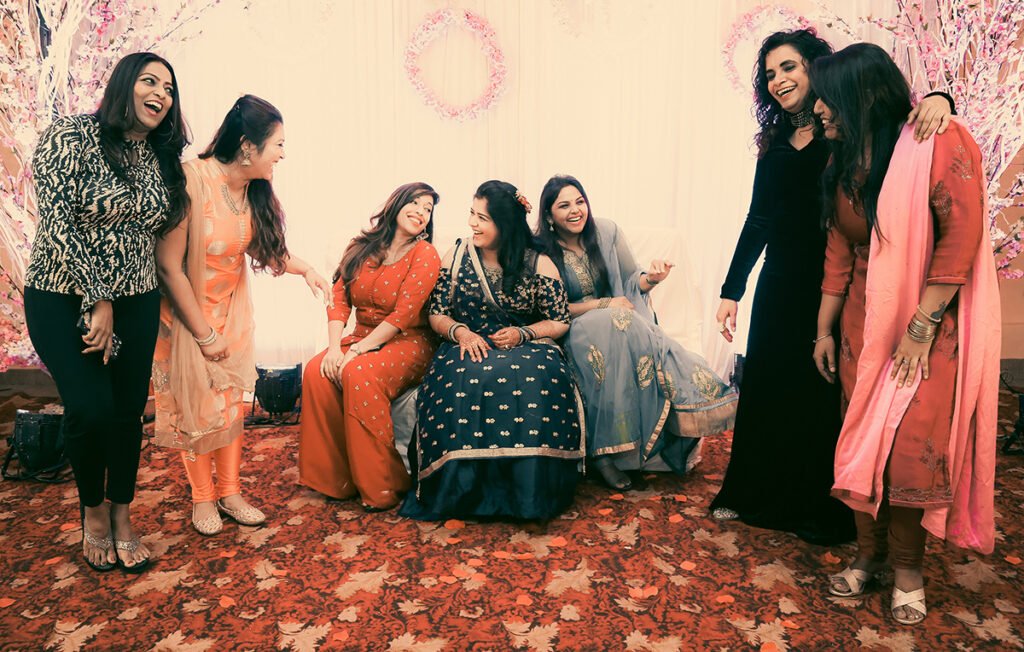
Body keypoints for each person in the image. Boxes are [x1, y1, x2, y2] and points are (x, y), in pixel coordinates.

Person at [709, 29, 955, 544]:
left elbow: (897, 111)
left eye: (789, 67)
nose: (778, 80)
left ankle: (818, 505)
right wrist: (732, 289)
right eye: (769, 74)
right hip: (780, 281)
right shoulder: (774, 143)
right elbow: (758, 218)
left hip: (835, 283)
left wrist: (940, 98)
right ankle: (751, 492)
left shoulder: (844, 127)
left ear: (816, 69)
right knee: (768, 385)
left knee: (821, 395)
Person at [810, 43, 1000, 625]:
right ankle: (868, 557)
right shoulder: (844, 160)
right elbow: (839, 249)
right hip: (862, 329)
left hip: (927, 326)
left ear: (861, 95)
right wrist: (823, 331)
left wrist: (921, 326)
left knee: (910, 451)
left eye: (827, 96)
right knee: (861, 441)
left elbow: (960, 236)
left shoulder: (934, 141)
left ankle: (909, 569)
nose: (818, 108)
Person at [23, 52, 190, 572]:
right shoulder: (70, 135)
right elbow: (57, 220)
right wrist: (97, 297)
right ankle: (92, 511)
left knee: (125, 413)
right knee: (90, 408)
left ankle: (122, 513)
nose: (160, 94)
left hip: (137, 300)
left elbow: (158, 234)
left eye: (169, 88)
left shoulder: (159, 156)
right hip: (61, 294)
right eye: (149, 81)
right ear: (124, 84)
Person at [154, 95, 331, 536]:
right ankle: (203, 498)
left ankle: (230, 493)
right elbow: (168, 267)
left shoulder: (252, 191)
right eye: (279, 144)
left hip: (230, 315)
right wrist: (203, 334)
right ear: (249, 146)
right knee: (196, 408)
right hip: (184, 320)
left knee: (231, 406)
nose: (283, 154)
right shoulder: (192, 179)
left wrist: (306, 269)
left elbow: (262, 248)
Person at [533, 175, 737, 491]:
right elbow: (551, 309)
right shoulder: (540, 250)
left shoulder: (607, 232)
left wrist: (653, 278)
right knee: (621, 320)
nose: (576, 211)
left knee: (625, 325)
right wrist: (605, 304)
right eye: (564, 205)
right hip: (573, 328)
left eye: (580, 202)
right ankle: (603, 455)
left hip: (621, 325)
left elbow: (631, 282)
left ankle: (629, 449)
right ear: (549, 215)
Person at [399, 180, 584, 521]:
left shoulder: (538, 261)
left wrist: (523, 333)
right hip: (466, 343)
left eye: (482, 218)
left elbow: (559, 320)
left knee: (536, 377)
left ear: (506, 224)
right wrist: (462, 333)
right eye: (472, 214)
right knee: (462, 374)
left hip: (528, 345)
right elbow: (437, 313)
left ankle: (527, 495)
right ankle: (460, 493)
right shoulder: (457, 256)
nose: (472, 223)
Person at [298, 183, 441, 512]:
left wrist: (358, 351)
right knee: (317, 371)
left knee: (359, 373)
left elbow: (404, 315)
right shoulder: (360, 247)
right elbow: (338, 299)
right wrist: (335, 349)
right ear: (397, 204)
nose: (421, 212)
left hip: (408, 340)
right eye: (415, 203)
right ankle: (336, 479)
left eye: (428, 209)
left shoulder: (425, 254)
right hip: (360, 335)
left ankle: (384, 484)